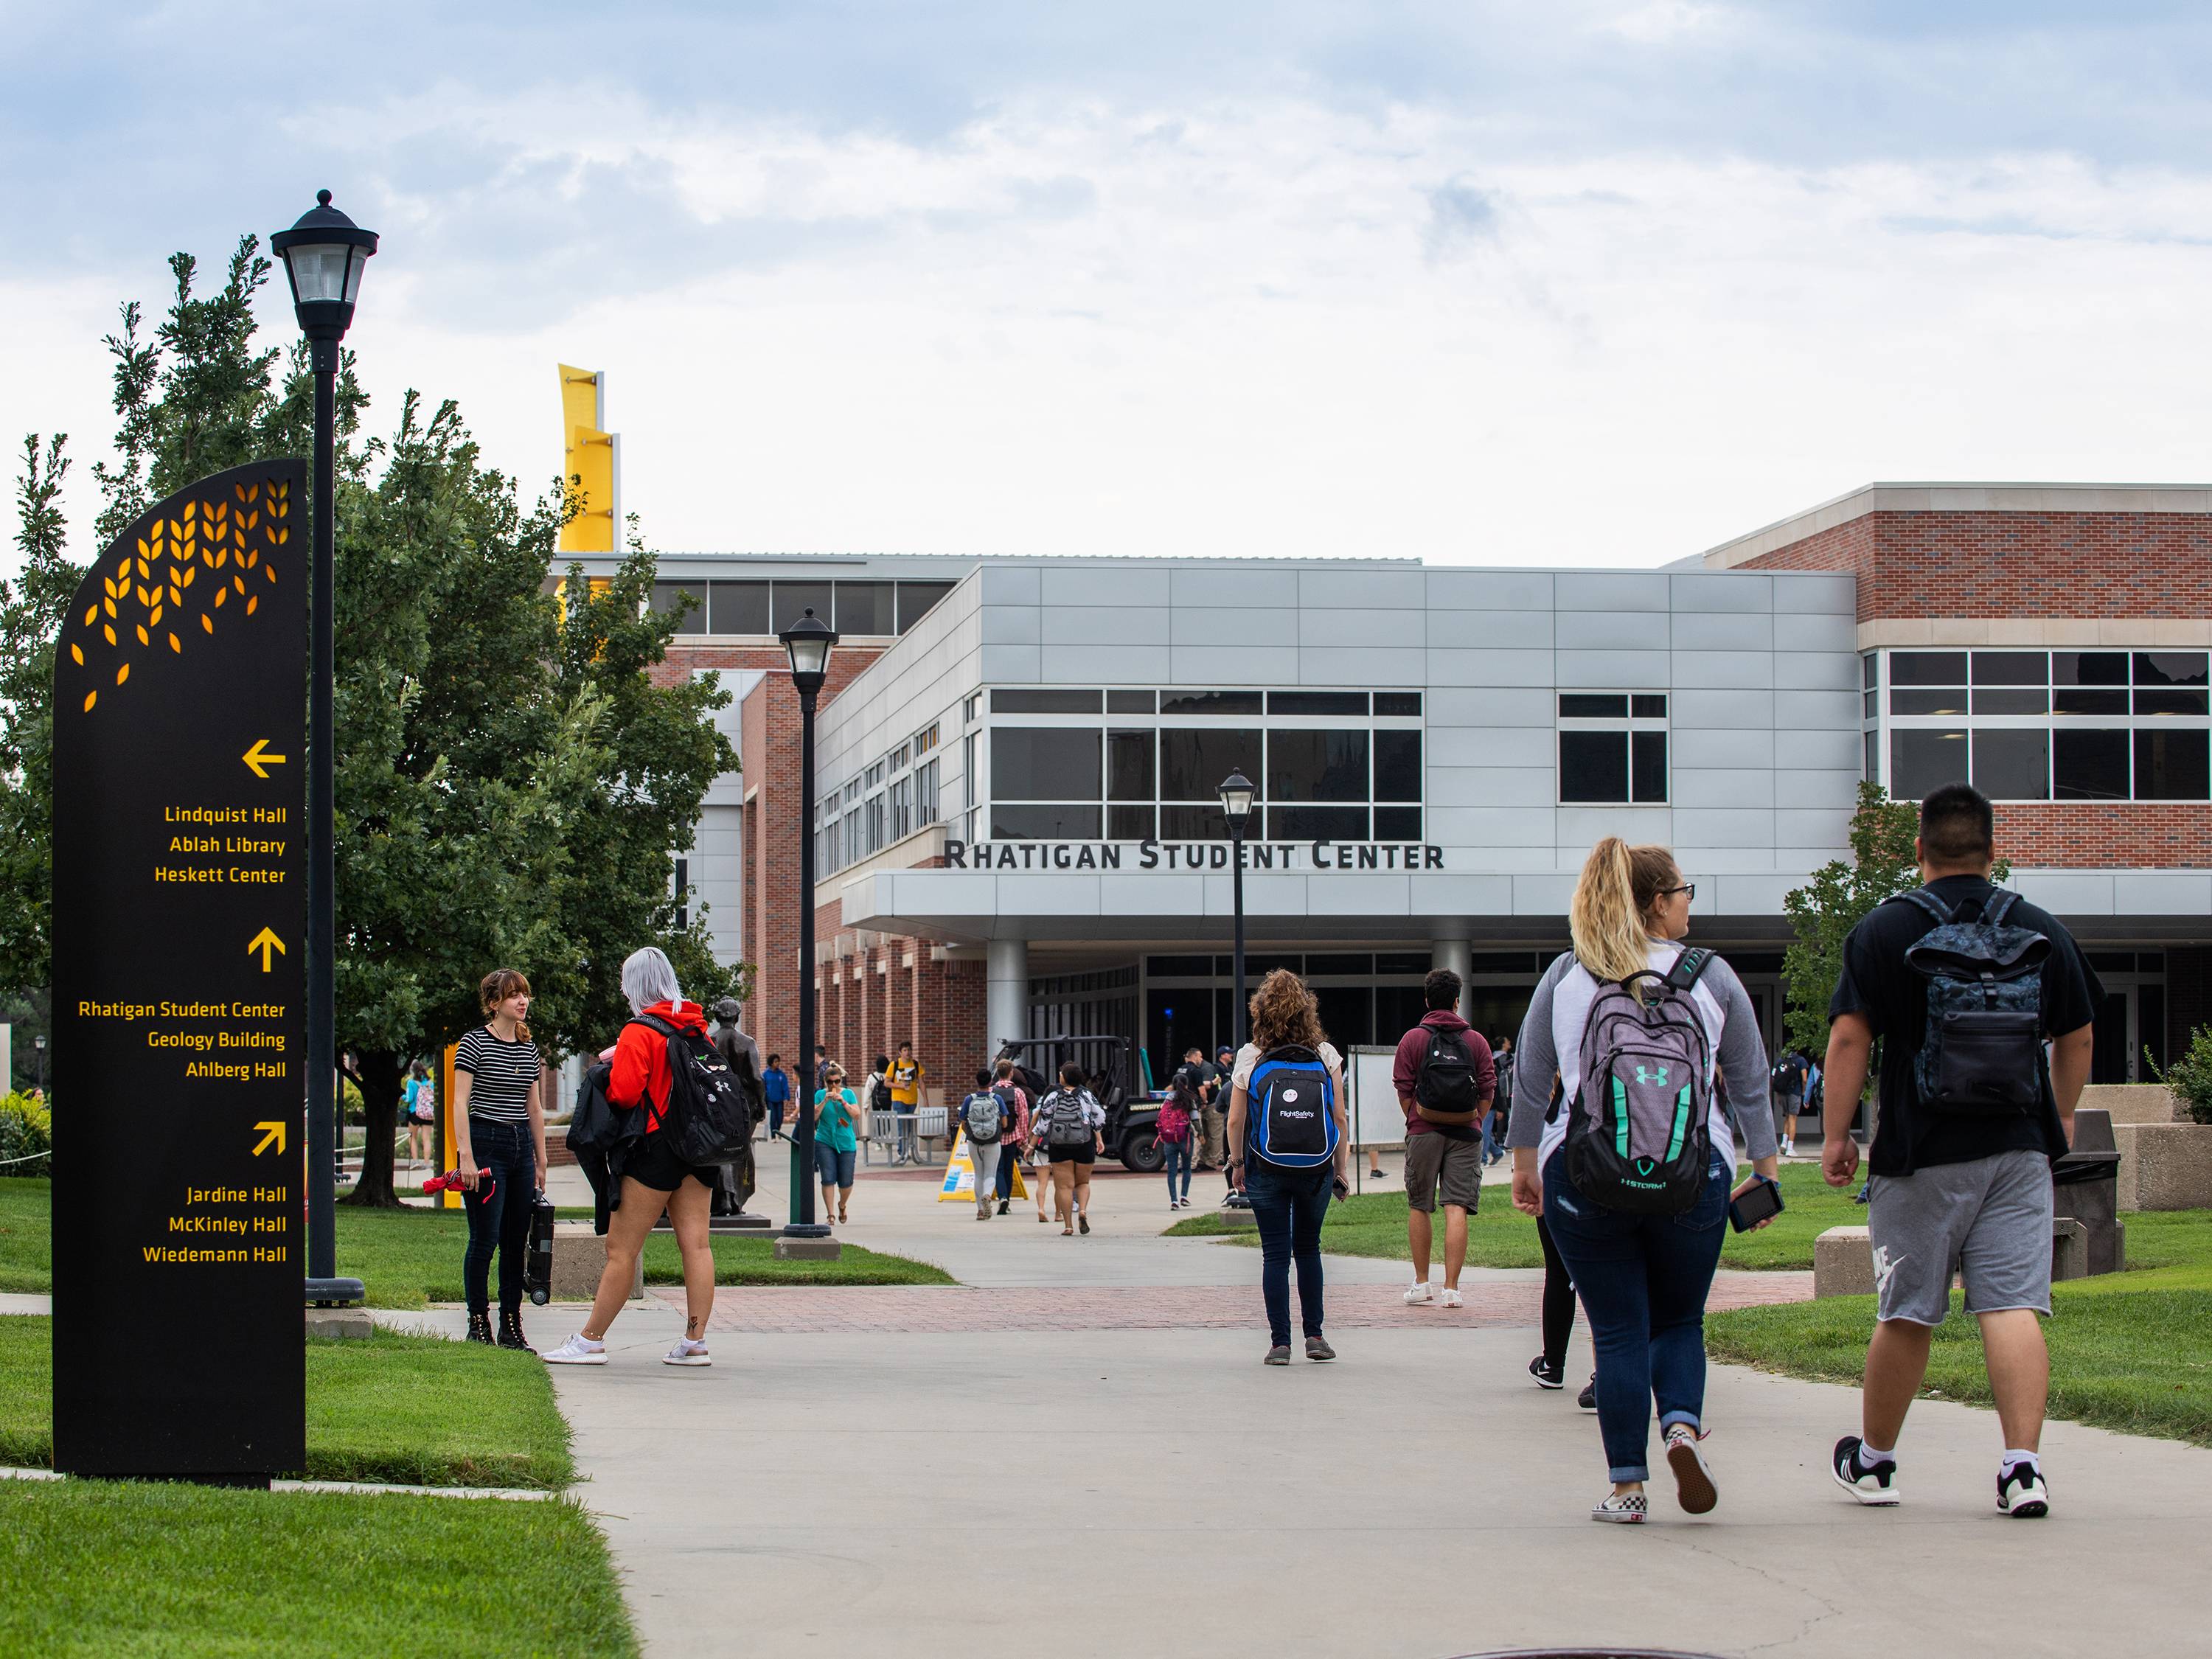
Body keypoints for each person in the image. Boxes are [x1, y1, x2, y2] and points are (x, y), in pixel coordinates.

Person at [1820, 783, 2098, 1519]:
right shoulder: (2039, 928)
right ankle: (2022, 1470)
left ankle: (1875, 1464)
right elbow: (2078, 1036)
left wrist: (1838, 1134)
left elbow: (1851, 1037)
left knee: (1908, 1310)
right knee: (2011, 1307)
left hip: (1920, 1149)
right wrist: (2061, 1115)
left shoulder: (1883, 933)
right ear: (1992, 850)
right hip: (2017, 1148)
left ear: (1919, 850)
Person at [1509, 839, 1780, 1523]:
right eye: (1684, 890)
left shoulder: (1570, 974)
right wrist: (1765, 1166)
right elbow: (1749, 1075)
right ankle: (1682, 1428)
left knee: (1620, 1330)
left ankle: (1627, 1489)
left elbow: (1531, 1073)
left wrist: (1522, 1164)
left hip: (1585, 1176)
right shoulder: (1711, 975)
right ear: (1658, 902)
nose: (1690, 902)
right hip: (1695, 1175)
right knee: (1681, 1318)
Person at [542, 948, 723, 1368]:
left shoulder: (640, 1030)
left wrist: (617, 1058)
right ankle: (695, 1341)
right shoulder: (697, 1027)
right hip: (699, 1148)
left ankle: (590, 1340)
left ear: (635, 985)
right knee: (696, 1244)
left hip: (656, 1149)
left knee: (621, 1250)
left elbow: (624, 1092)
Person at [1228, 968, 1351, 1366]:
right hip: (1316, 1169)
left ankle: (1280, 1344)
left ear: (1260, 1012)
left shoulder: (1251, 1056)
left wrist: (1237, 1163)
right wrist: (1339, 1170)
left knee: (1275, 1255)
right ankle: (1315, 1336)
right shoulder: (1325, 1055)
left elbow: (1234, 1121)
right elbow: (1339, 1118)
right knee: (1309, 1250)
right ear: (1307, 1012)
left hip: (1265, 1166)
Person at [451, 969, 550, 1352]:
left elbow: (535, 1107)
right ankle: (478, 1322)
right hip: (485, 1141)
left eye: (524, 994)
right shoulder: (473, 1043)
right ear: (494, 1004)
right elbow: (461, 1102)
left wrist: (540, 1161)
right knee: (485, 1239)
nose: (522, 1001)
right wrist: (467, 1157)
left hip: (520, 1145)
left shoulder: (529, 1048)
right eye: (513, 996)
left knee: (514, 1241)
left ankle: (511, 1324)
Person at [1394, 967, 1494, 1310]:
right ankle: (1452, 1289)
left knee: (1419, 1205)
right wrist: (1475, 1117)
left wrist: (1418, 1115)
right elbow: (1488, 1086)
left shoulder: (1413, 1039)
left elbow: (1404, 1088)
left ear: (1426, 1000)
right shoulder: (1476, 1041)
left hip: (1423, 1130)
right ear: (1456, 1000)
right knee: (1456, 1208)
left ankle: (1422, 1284)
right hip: (1466, 1132)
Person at [1034, 1060, 1105, 1235]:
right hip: (1084, 1142)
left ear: (1064, 1078)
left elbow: (1043, 1123)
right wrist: (1096, 1134)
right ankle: (1082, 1211)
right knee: (1082, 1183)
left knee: (1064, 1187)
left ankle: (1068, 1225)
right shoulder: (1087, 1095)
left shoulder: (1053, 1096)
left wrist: (1032, 1143)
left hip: (1059, 1145)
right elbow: (1100, 1117)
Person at [708, 998, 762, 1217]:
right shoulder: (747, 1042)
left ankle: (725, 1198)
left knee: (720, 1151)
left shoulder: (710, 1040)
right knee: (740, 1151)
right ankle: (734, 1198)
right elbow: (757, 1077)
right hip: (744, 1104)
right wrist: (761, 1103)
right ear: (737, 1017)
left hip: (717, 1102)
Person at [813, 1063, 862, 1223]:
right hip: (824, 1140)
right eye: (830, 1082)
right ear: (825, 1082)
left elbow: (857, 1115)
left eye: (837, 1082)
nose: (833, 1085)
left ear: (841, 1081)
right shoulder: (820, 1095)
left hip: (846, 1142)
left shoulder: (848, 1094)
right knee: (828, 1178)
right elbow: (813, 1117)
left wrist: (843, 1102)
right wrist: (824, 1102)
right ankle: (831, 1214)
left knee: (846, 1182)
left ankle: (842, 1204)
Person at [958, 1068, 1008, 1220]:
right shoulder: (997, 1099)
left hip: (974, 1141)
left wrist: (972, 1133)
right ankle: (987, 1195)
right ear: (991, 1082)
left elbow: (963, 1122)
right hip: (993, 1141)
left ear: (976, 1082)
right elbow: (1005, 1123)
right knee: (990, 1174)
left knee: (978, 1174)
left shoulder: (969, 1099)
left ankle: (980, 1210)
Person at [990, 1058, 1031, 1216]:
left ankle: (1003, 1197)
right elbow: (1023, 1116)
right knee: (1009, 1168)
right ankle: (1006, 1201)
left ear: (998, 1074)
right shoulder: (1018, 1092)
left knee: (998, 1169)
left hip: (996, 1136)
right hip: (1013, 1136)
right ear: (1011, 1073)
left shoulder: (992, 1092)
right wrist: (1023, 1139)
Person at [1158, 1068, 1198, 1210]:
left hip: (1169, 1139)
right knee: (1186, 1168)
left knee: (1172, 1170)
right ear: (1186, 1085)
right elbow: (1195, 1119)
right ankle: (1184, 1197)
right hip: (1185, 1138)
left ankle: (1174, 1201)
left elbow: (1161, 1116)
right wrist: (1200, 1134)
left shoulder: (1168, 1099)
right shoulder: (1189, 1099)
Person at [1770, 1049, 1808, 1158]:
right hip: (1794, 1093)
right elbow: (1804, 1079)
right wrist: (1803, 1091)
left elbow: (1774, 1077)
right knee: (1793, 1119)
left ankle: (1784, 1142)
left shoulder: (1780, 1060)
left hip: (1782, 1093)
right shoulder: (1801, 1060)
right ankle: (1790, 1148)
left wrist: (1777, 1093)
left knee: (1787, 1117)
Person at [1486, 1034, 1515, 1166]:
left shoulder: (1493, 1060)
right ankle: (1498, 1150)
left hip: (1494, 1101)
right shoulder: (1506, 1060)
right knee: (1484, 1131)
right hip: (1501, 1097)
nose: (1510, 1042)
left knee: (1484, 1132)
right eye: (1508, 1041)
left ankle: (1488, 1155)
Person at [403, 1058, 435, 1171]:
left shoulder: (411, 1082)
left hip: (415, 1113)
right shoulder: (431, 1083)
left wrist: (402, 1097)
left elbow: (409, 1099)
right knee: (427, 1139)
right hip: (428, 1114)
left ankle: (416, 1161)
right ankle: (427, 1164)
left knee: (413, 1137)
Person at [762, 1052, 791, 1140]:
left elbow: (785, 1086)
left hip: (779, 1099)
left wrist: (786, 1097)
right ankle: (773, 1135)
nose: (778, 1063)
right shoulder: (766, 1074)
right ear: (771, 1063)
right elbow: (763, 1087)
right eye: (776, 1062)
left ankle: (778, 1131)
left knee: (780, 1117)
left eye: (778, 1061)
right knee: (773, 1117)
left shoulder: (781, 1074)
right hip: (770, 1099)